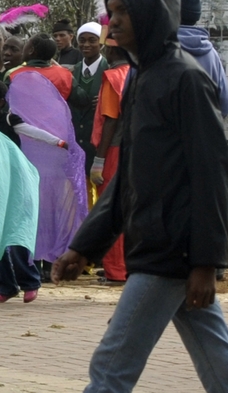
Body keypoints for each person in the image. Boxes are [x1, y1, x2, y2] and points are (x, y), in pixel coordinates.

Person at [52, 0, 228, 392]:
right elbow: (128, 178)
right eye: (111, 12)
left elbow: (212, 175)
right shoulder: (140, 79)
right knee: (222, 371)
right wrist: (83, 247)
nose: (115, 21)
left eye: (124, 10)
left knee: (111, 366)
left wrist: (206, 263)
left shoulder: (186, 79)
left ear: (154, 13)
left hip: (170, 253)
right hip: (160, 247)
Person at [0, 79, 45, 303]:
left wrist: (60, 143)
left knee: (16, 233)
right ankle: (5, 286)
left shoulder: (8, 119)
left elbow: (33, 132)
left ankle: (30, 282)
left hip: (14, 184)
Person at [88, 41, 131, 284]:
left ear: (114, 50)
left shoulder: (112, 77)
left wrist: (99, 159)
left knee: (111, 207)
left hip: (114, 148)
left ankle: (116, 270)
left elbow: (110, 120)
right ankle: (121, 265)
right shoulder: (134, 72)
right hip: (132, 147)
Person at [177, 0, 228, 117]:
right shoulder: (211, 55)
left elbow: (128, 99)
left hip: (161, 135)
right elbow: (225, 106)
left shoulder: (153, 50)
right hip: (202, 134)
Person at [67, 23, 106, 178]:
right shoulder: (71, 72)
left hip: (98, 145)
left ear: (101, 43)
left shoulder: (109, 70)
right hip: (75, 143)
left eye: (92, 40)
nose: (86, 44)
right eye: (82, 40)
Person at [7, 34, 72, 99]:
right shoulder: (65, 75)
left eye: (26, 43)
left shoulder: (14, 74)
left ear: (31, 50)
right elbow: (80, 99)